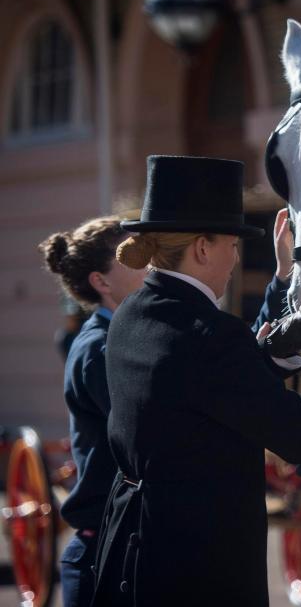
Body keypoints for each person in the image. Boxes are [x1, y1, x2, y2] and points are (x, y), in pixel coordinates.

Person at [90, 155, 301, 607]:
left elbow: (207, 391)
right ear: (203, 247)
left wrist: (278, 310)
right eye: (232, 244)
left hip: (133, 547)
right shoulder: (209, 338)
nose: (236, 258)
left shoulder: (131, 315)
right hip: (198, 563)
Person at [39, 216, 148, 607]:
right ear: (100, 282)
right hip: (104, 557)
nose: (148, 261)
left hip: (125, 548)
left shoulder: (125, 336)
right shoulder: (98, 349)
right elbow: (148, 432)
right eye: (131, 255)